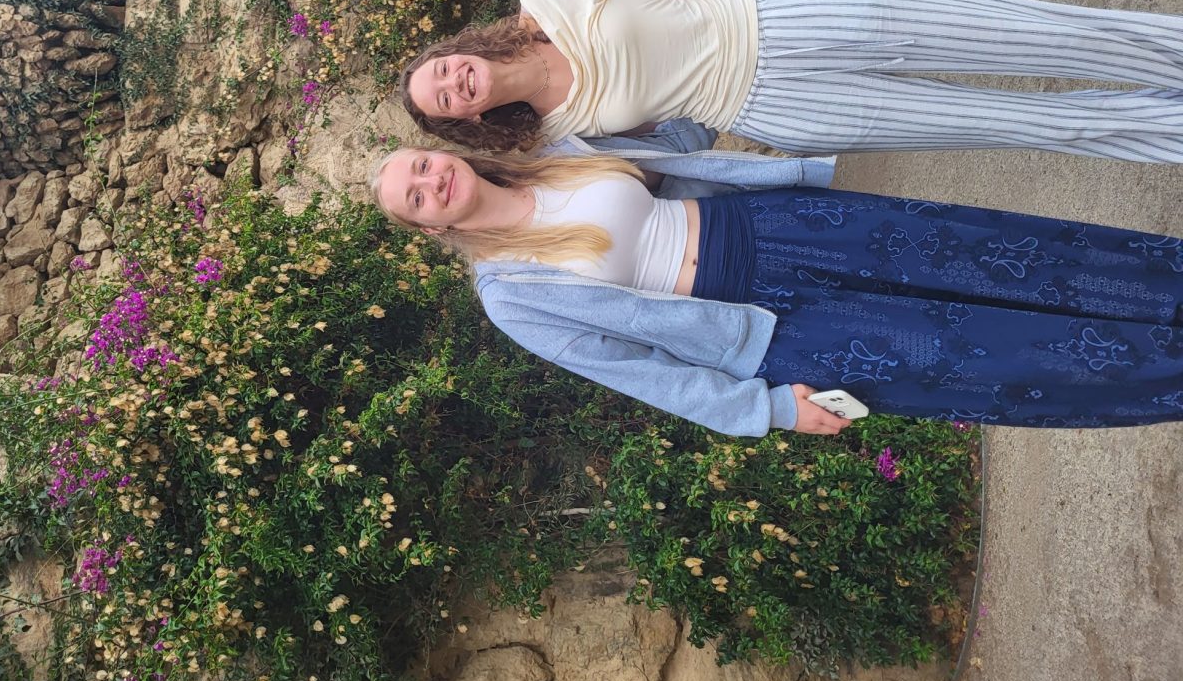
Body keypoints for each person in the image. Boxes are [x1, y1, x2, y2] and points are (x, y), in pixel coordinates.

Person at [368, 133, 1183, 437]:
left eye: (423, 165)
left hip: (779, 226)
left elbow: (674, 139)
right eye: (416, 196)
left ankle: (1165, 282)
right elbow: (636, 371)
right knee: (976, 356)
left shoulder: (551, 153)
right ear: (428, 227)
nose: (431, 182)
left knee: (990, 251)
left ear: (445, 154)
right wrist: (763, 411)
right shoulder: (510, 295)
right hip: (771, 328)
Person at [400, 0, 1183, 160]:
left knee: (1024, 34)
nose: (454, 84)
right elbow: (672, 152)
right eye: (446, 100)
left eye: (442, 72)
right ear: (469, 119)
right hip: (775, 108)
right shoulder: (553, 135)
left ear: (454, 52)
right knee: (1016, 125)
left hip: (778, 19)